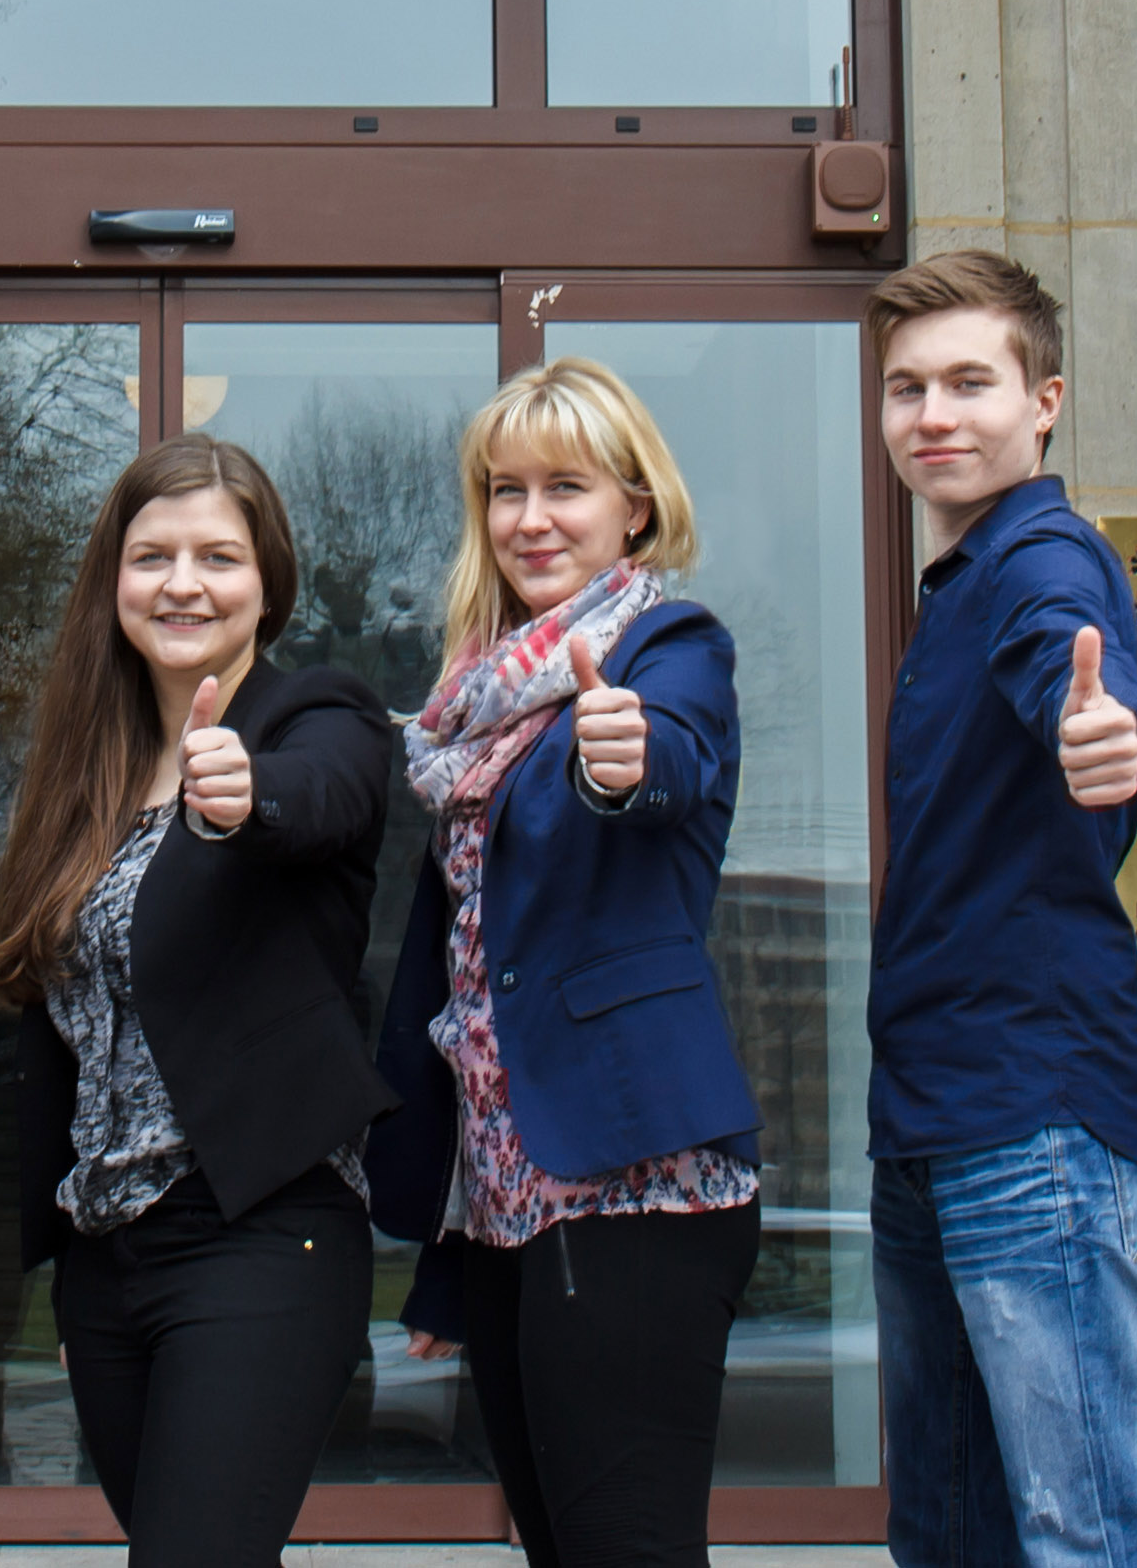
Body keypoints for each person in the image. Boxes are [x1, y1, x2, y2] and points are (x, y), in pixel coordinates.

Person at [0, 433, 397, 1568]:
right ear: (115, 579)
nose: (184, 583)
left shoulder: (315, 717)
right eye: (153, 556)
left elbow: (332, 794)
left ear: (268, 582)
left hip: (260, 1230)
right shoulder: (81, 778)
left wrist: (249, 795)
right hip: (107, 1261)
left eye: (219, 556)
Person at [368, 359, 758, 1568]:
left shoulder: (665, 648)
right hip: (504, 1206)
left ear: (634, 504)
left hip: (632, 1176)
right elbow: (465, 976)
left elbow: (671, 760)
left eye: (566, 488)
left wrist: (620, 755)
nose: (530, 518)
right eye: (504, 490)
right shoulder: (471, 702)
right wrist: (446, 1261)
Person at [860, 250, 1137, 1568]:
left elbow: (1072, 661)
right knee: (951, 1538)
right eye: (905, 387)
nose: (934, 413)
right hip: (931, 1119)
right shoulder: (955, 588)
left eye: (969, 381)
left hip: (1031, 1119)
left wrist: (1095, 723)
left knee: (1083, 1536)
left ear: (1043, 399)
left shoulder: (1042, 556)